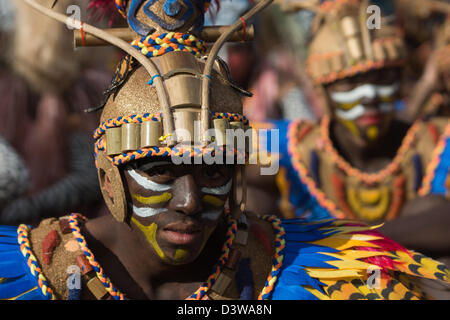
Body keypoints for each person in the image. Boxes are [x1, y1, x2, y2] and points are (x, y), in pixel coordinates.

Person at [0, 0, 448, 301]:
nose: (190, 202)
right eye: (159, 171)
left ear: (237, 175)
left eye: (213, 172)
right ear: (108, 179)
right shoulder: (39, 269)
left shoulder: (304, 268)